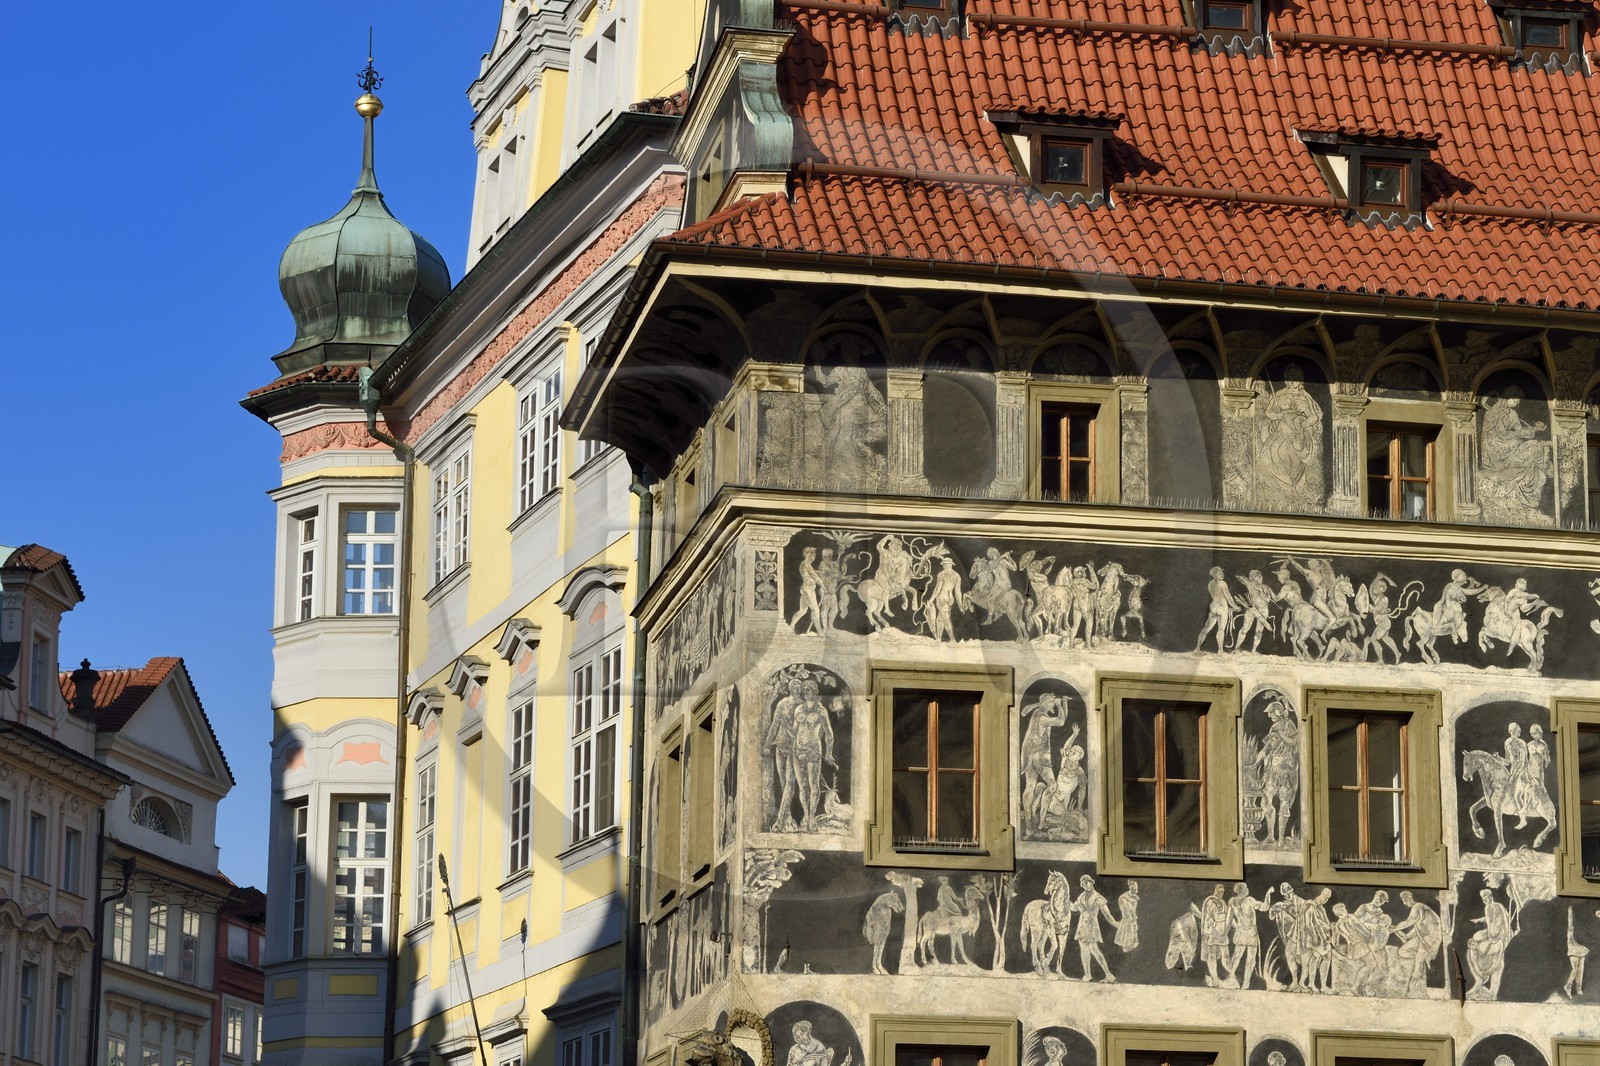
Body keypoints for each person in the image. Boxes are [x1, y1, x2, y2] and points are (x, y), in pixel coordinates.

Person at [1071, 875, 1120, 981]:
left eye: (1087, 882)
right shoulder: (1081, 896)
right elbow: (1074, 908)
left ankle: (1108, 974)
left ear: (1092, 882)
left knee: (1094, 949)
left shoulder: (1097, 897)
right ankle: (1087, 974)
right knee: (1084, 950)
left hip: (1092, 926)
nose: (1085, 885)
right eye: (1083, 884)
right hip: (1082, 927)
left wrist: (1115, 923)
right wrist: (1064, 900)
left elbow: (1107, 914)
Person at [1226, 883, 1274, 987]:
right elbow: (1265, 907)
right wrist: (1268, 893)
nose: (1247, 889)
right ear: (1242, 890)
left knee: (1243, 956)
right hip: (1247, 932)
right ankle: (1238, 980)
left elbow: (1229, 920)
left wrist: (1268, 894)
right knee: (1244, 956)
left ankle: (1238, 980)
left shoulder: (1238, 901)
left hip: (1246, 932)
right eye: (1246, 888)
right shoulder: (1244, 901)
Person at [925, 556, 966, 643]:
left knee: (945, 618)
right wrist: (960, 606)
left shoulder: (942, 574)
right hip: (950, 599)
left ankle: (952, 639)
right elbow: (958, 593)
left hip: (942, 597)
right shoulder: (957, 575)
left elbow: (937, 589)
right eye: (944, 565)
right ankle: (939, 638)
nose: (944, 566)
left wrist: (931, 600)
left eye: (945, 564)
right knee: (940, 618)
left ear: (948, 565)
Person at [1196, 567, 1236, 653]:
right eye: (1220, 572)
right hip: (1222, 607)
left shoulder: (1210, 583)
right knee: (1221, 629)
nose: (1222, 573)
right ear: (1215, 574)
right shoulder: (1222, 583)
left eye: (1222, 572)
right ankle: (1220, 651)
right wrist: (1236, 607)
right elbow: (1228, 597)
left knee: (1206, 628)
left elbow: (1215, 596)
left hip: (1214, 607)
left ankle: (1197, 648)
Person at [1199, 884, 1232, 986]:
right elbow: (1217, 917)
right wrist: (1225, 918)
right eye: (1220, 891)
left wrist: (1233, 923)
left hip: (1222, 933)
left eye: (1223, 892)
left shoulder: (1223, 902)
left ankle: (1231, 975)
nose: (1221, 893)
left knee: (1226, 955)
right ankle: (1215, 979)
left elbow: (1228, 918)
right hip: (1212, 932)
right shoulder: (1211, 901)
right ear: (1216, 891)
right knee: (1212, 956)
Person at [1115, 881, 1141, 951]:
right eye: (1132, 885)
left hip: (1133, 922)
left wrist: (1134, 920)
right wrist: (1132, 921)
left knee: (1134, 944)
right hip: (1127, 924)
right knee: (1127, 945)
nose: (1135, 888)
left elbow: (1133, 911)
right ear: (1129, 886)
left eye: (1136, 887)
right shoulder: (1123, 898)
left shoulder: (1135, 897)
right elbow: (1125, 912)